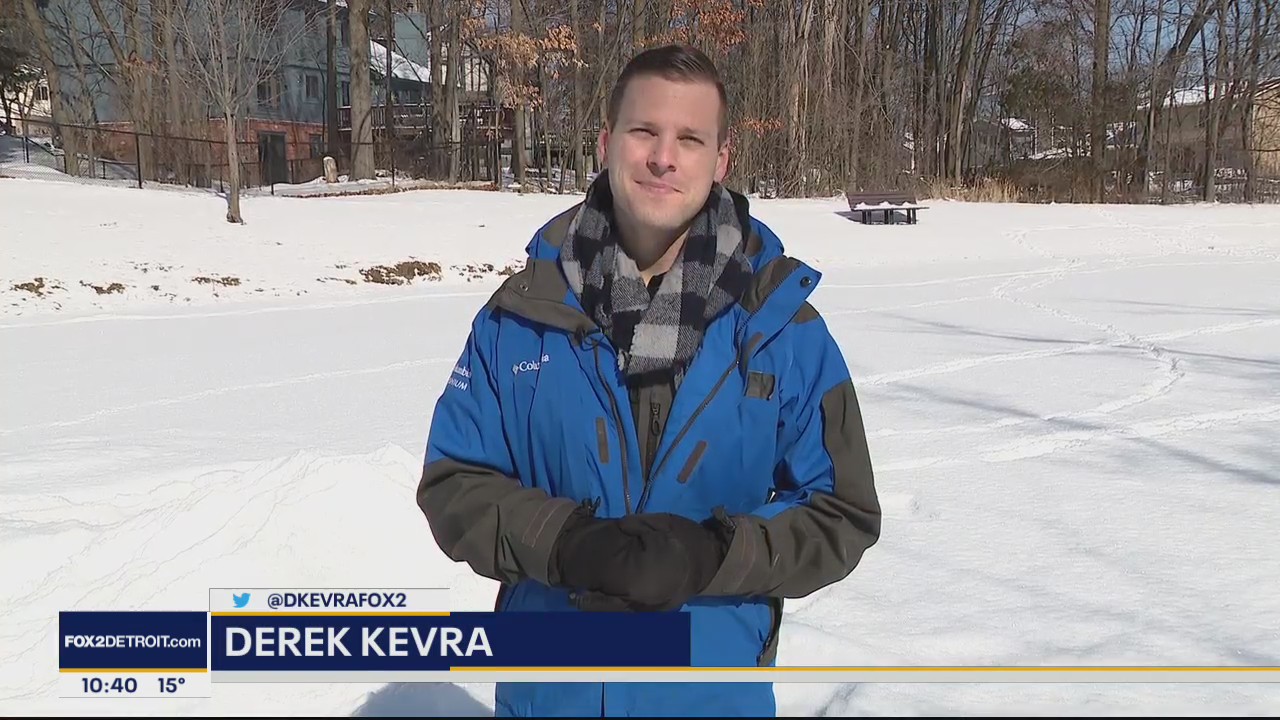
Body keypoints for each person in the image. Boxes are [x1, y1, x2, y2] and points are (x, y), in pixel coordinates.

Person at [418, 44, 881, 718]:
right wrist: (565, 543)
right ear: (607, 143)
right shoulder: (520, 318)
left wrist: (713, 555)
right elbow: (454, 481)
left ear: (720, 161)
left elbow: (841, 511)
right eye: (645, 132)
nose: (664, 158)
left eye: (690, 139)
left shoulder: (782, 329)